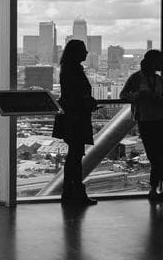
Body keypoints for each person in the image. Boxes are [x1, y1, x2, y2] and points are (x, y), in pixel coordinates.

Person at [120, 50, 163, 201]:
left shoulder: (161, 81)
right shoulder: (136, 78)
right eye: (160, 61)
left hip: (160, 120)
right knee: (153, 156)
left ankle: (154, 189)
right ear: (153, 62)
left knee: (156, 156)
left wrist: (153, 97)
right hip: (147, 120)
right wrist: (138, 96)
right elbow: (123, 94)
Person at [53, 39, 99, 206]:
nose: (86, 53)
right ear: (77, 53)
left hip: (71, 118)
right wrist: (88, 102)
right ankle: (75, 193)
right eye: (84, 50)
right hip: (76, 118)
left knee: (74, 156)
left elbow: (71, 95)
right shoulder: (74, 71)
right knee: (75, 157)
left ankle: (70, 192)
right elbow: (76, 95)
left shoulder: (68, 70)